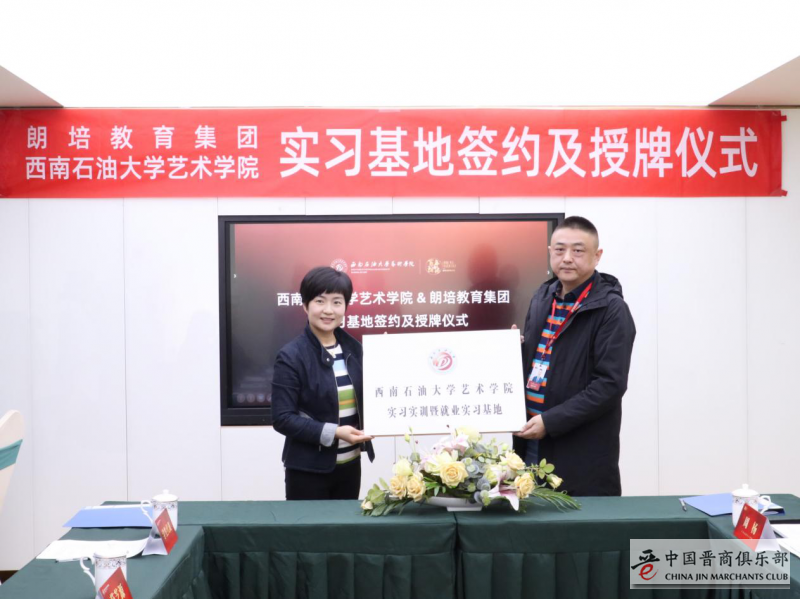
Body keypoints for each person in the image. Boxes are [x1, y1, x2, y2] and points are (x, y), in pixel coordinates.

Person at [513, 216, 635, 496]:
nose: (567, 258)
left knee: (574, 520)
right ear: (550, 252)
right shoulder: (543, 296)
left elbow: (610, 384)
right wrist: (514, 350)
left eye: (578, 250)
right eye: (559, 250)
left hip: (579, 453)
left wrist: (551, 422)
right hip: (529, 441)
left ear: (597, 256)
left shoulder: (612, 310)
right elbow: (540, 361)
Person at [272, 266, 374, 500]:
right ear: (305, 305)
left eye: (337, 302)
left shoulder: (355, 349)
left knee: (344, 525)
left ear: (345, 307)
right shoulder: (291, 356)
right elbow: (282, 418)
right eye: (320, 301)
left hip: (350, 465)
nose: (329, 310)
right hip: (308, 470)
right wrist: (335, 432)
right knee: (309, 526)